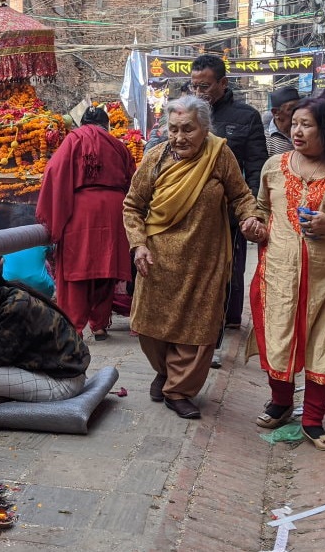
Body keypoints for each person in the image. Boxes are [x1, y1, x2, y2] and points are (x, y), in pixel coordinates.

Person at [122, 96, 264, 419]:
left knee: (198, 330)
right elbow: (132, 206)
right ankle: (166, 371)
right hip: (157, 260)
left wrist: (249, 218)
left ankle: (179, 390)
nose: (179, 137)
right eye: (173, 129)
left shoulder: (219, 156)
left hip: (204, 260)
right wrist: (138, 244)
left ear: (204, 129)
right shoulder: (156, 158)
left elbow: (241, 196)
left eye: (188, 129)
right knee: (149, 326)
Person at [249, 97, 325, 451]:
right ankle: (281, 402)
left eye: (307, 124)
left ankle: (314, 419)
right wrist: (254, 224)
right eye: (295, 123)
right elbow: (260, 207)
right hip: (279, 272)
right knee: (279, 335)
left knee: (324, 341)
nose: (297, 131)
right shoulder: (274, 166)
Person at [36, 105, 134, 340]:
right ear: (106, 125)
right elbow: (134, 179)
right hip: (114, 211)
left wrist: (53, 215)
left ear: (82, 123)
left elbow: (54, 173)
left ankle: (74, 327)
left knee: (76, 270)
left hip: (82, 211)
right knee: (106, 270)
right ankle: (99, 325)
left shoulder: (74, 139)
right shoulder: (118, 145)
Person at [189, 54, 268, 336]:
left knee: (228, 267)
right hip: (190, 208)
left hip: (229, 210)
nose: (199, 93)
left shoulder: (246, 117)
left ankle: (227, 320)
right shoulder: (186, 114)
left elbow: (257, 167)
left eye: (205, 86)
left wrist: (253, 210)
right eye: (194, 86)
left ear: (222, 83)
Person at [0, 256, 90, 403]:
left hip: (63, 382)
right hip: (55, 371)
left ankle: (7, 396)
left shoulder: (14, 308)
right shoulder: (4, 299)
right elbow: (1, 344)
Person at [265, 86, 300, 156]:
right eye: (291, 108)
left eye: (299, 107)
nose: (297, 112)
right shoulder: (265, 140)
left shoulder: (305, 134)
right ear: (275, 113)